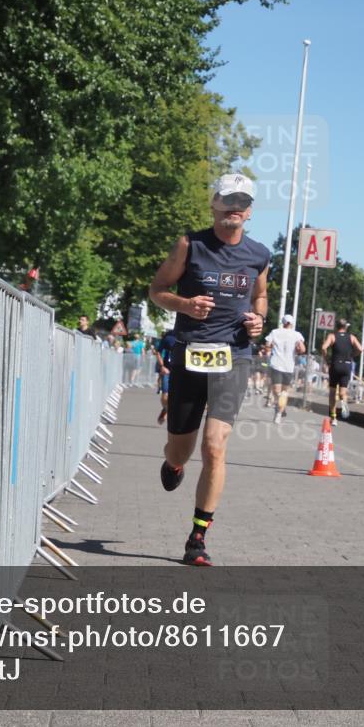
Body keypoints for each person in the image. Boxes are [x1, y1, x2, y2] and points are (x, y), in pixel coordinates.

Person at [148, 173, 269, 566]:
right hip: (189, 353)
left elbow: (261, 296)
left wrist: (258, 320)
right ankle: (173, 463)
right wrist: (184, 305)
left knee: (215, 446)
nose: (235, 206)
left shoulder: (259, 254)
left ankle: (197, 538)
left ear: (250, 210)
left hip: (234, 357)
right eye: (228, 198)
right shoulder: (190, 245)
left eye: (243, 200)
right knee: (180, 447)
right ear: (214, 204)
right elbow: (157, 290)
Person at [320, 318, 362, 426]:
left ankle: (333, 417)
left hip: (335, 365)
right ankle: (344, 406)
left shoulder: (332, 336)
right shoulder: (351, 337)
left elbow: (324, 347)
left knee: (333, 392)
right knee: (343, 392)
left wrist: (327, 360)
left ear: (337, 326)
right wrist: (353, 355)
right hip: (347, 365)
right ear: (346, 327)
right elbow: (361, 349)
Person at [264, 314, 305, 424]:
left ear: (283, 322)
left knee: (278, 391)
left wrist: (270, 347)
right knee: (282, 391)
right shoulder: (294, 334)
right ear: (292, 323)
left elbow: (267, 345)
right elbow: (302, 349)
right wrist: (298, 350)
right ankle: (280, 409)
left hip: (281, 365)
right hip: (284, 365)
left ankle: (279, 410)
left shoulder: (276, 332)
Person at [154, 328, 178, 425]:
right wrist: (162, 366)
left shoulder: (189, 335)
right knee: (165, 397)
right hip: (167, 371)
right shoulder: (168, 337)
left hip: (182, 371)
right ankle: (166, 409)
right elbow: (158, 352)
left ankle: (167, 411)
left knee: (177, 397)